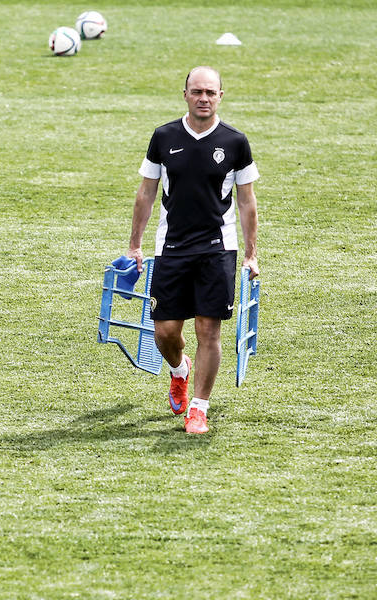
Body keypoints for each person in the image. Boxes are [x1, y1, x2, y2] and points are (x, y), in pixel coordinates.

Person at [126, 66, 259, 434]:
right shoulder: (164, 136)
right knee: (165, 331)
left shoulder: (235, 142)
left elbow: (247, 203)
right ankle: (179, 370)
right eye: (197, 91)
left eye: (210, 92)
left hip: (218, 248)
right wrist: (135, 244)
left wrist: (251, 254)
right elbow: (146, 192)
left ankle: (199, 408)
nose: (203, 98)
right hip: (171, 247)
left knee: (208, 329)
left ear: (220, 96)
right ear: (185, 94)